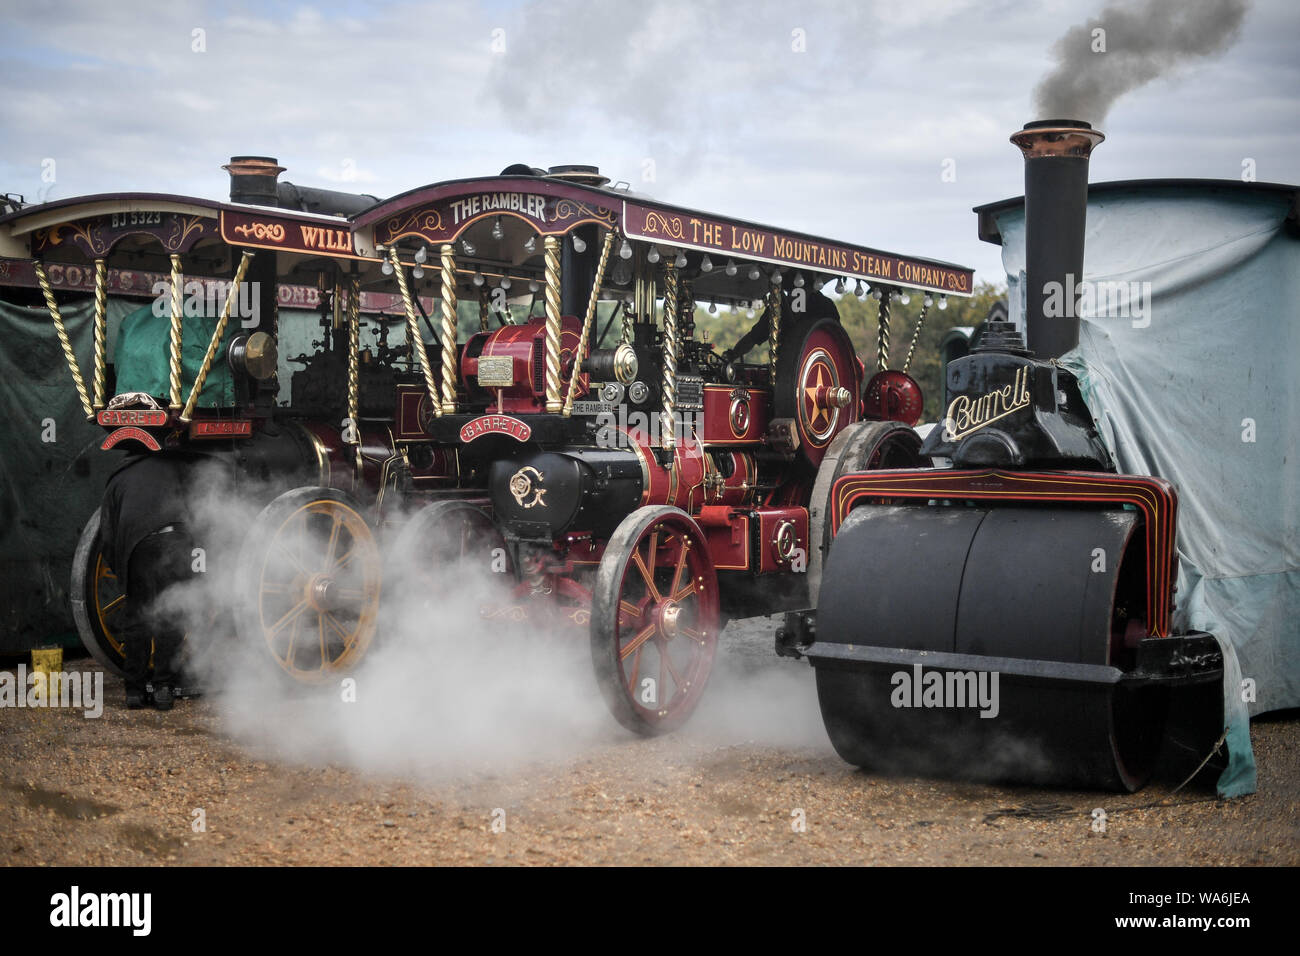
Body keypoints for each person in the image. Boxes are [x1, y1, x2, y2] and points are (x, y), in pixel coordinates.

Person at [98, 451, 201, 710]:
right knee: (171, 613)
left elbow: (107, 537)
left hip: (136, 547)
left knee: (137, 616)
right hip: (173, 540)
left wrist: (123, 570)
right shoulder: (175, 466)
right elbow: (198, 511)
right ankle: (163, 688)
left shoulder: (118, 478)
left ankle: (134, 690)